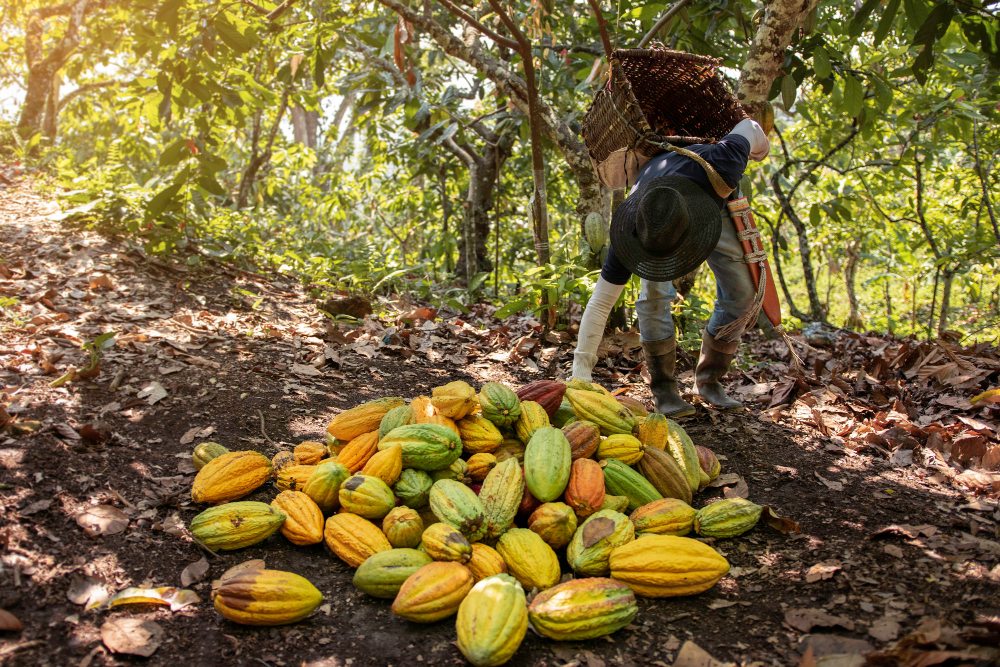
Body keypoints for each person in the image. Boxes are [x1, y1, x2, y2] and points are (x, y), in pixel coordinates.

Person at [571, 117, 771, 417]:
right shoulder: (634, 229)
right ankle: (664, 389)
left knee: (742, 295)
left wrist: (760, 151)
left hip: (713, 195)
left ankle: (709, 379)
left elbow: (750, 126)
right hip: (657, 204)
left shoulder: (725, 159)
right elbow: (600, 303)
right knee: (652, 298)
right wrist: (579, 376)